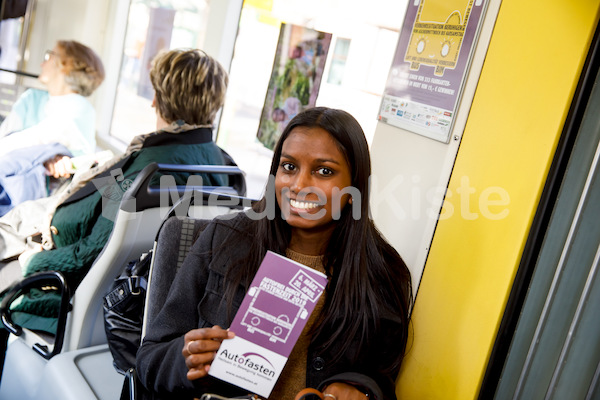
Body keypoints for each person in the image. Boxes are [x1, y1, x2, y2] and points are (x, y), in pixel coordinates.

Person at [136, 107, 413, 400]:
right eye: (289, 167)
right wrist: (186, 360)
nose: (299, 185)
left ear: (355, 185)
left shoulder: (382, 272)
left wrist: (359, 391)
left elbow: (382, 378)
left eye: (324, 171)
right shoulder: (224, 239)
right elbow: (148, 360)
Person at [0, 48, 231, 333]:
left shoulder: (146, 171)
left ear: (158, 100)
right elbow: (113, 193)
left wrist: (31, 262)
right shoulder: (218, 163)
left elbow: (85, 255)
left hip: (57, 267)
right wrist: (102, 171)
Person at [0, 40, 105, 216]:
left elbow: (80, 156)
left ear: (66, 65)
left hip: (36, 200)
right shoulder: (31, 98)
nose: (43, 62)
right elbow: (5, 139)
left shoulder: (81, 109)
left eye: (50, 56)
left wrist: (50, 156)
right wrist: (44, 155)